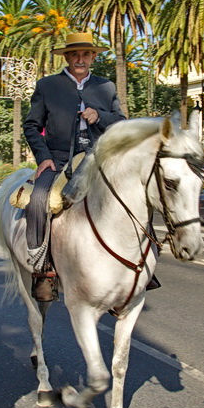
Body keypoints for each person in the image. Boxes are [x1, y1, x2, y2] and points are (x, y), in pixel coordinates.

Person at [23, 32, 126, 300]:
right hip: (57, 159)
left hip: (96, 158)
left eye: (86, 54)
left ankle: (138, 265)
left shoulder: (107, 87)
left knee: (132, 196)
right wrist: (43, 157)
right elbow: (32, 125)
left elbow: (120, 122)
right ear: (66, 57)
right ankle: (42, 269)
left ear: (93, 57)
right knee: (37, 201)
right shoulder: (47, 86)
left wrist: (99, 116)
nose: (80, 59)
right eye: (74, 54)